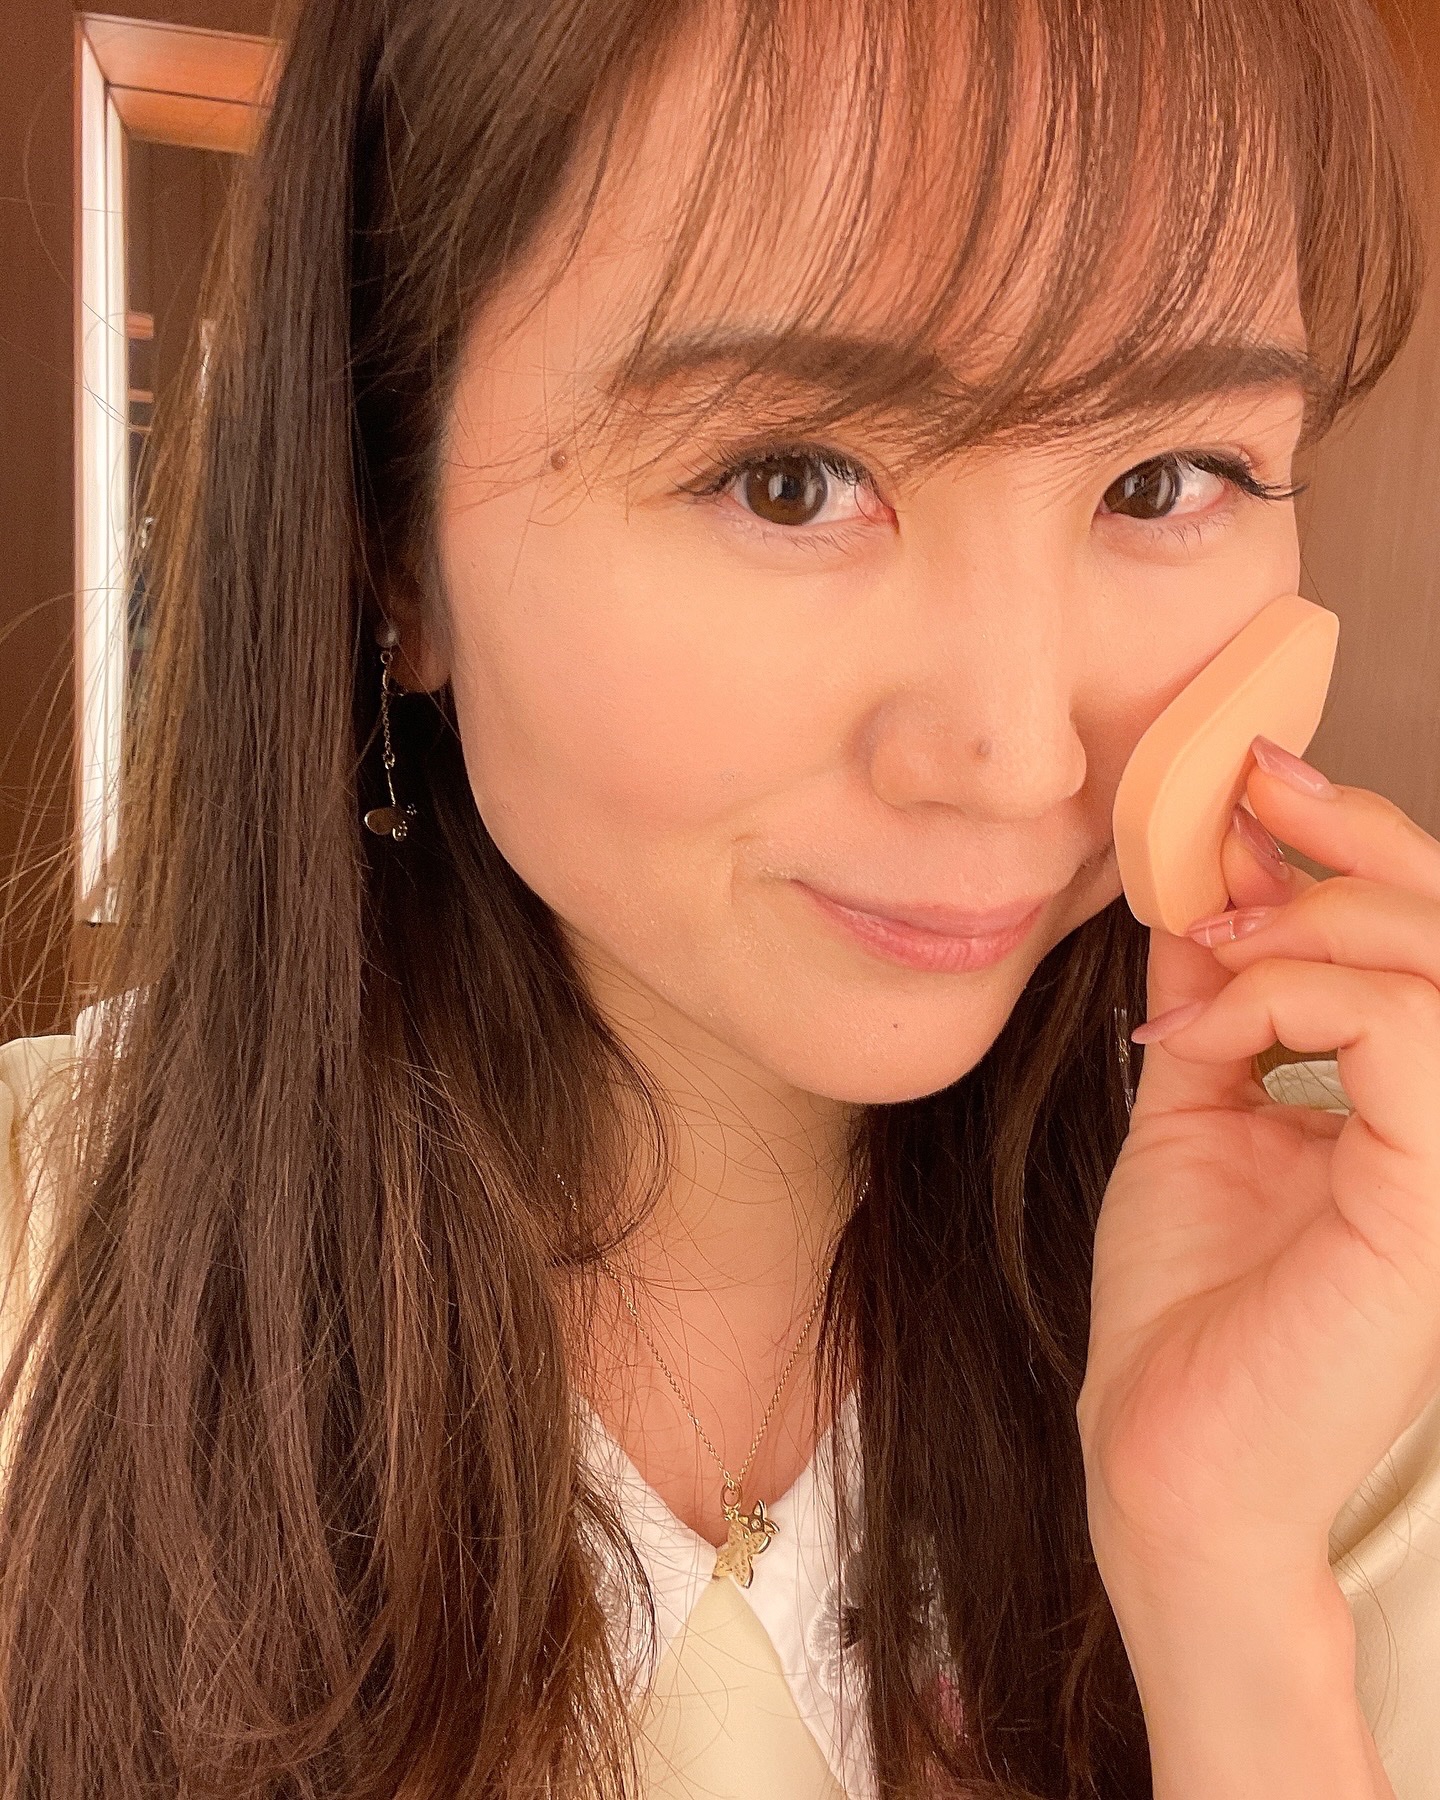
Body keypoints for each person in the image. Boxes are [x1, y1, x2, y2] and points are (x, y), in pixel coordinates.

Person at [1, 0, 1437, 1794]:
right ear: (391, 539)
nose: (1015, 756)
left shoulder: (1364, 1300)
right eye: (791, 480)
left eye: (1168, 479)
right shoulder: (38, 1272)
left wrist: (1227, 1602)